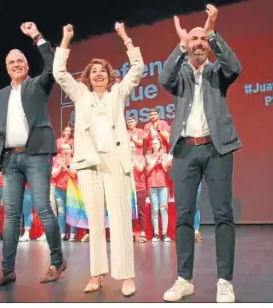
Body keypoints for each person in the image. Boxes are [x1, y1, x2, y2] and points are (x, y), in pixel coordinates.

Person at [52, 22, 143, 296]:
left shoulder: (118, 92)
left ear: (110, 76)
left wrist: (126, 38)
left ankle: (126, 276)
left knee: (120, 220)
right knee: (94, 221)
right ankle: (96, 274)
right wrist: (66, 41)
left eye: (102, 71)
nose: (98, 75)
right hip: (90, 165)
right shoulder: (80, 95)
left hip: (115, 163)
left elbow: (137, 69)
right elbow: (59, 73)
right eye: (94, 72)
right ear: (88, 78)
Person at [158, 5, 242, 303]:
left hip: (217, 148)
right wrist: (180, 44)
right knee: (182, 215)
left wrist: (213, 32)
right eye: (193, 40)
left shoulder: (218, 72)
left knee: (222, 213)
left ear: (208, 45)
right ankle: (184, 279)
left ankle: (224, 281)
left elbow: (236, 67)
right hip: (185, 151)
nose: (198, 43)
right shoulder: (179, 74)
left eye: (202, 40)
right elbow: (163, 78)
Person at [0, 22, 66, 289]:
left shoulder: (38, 84)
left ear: (27, 65)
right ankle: (7, 270)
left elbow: (52, 65)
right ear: (6, 68)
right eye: (11, 62)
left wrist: (36, 37)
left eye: (20, 60)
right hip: (11, 160)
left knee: (43, 208)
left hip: (37, 155)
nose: (16, 64)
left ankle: (57, 260)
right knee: (11, 215)